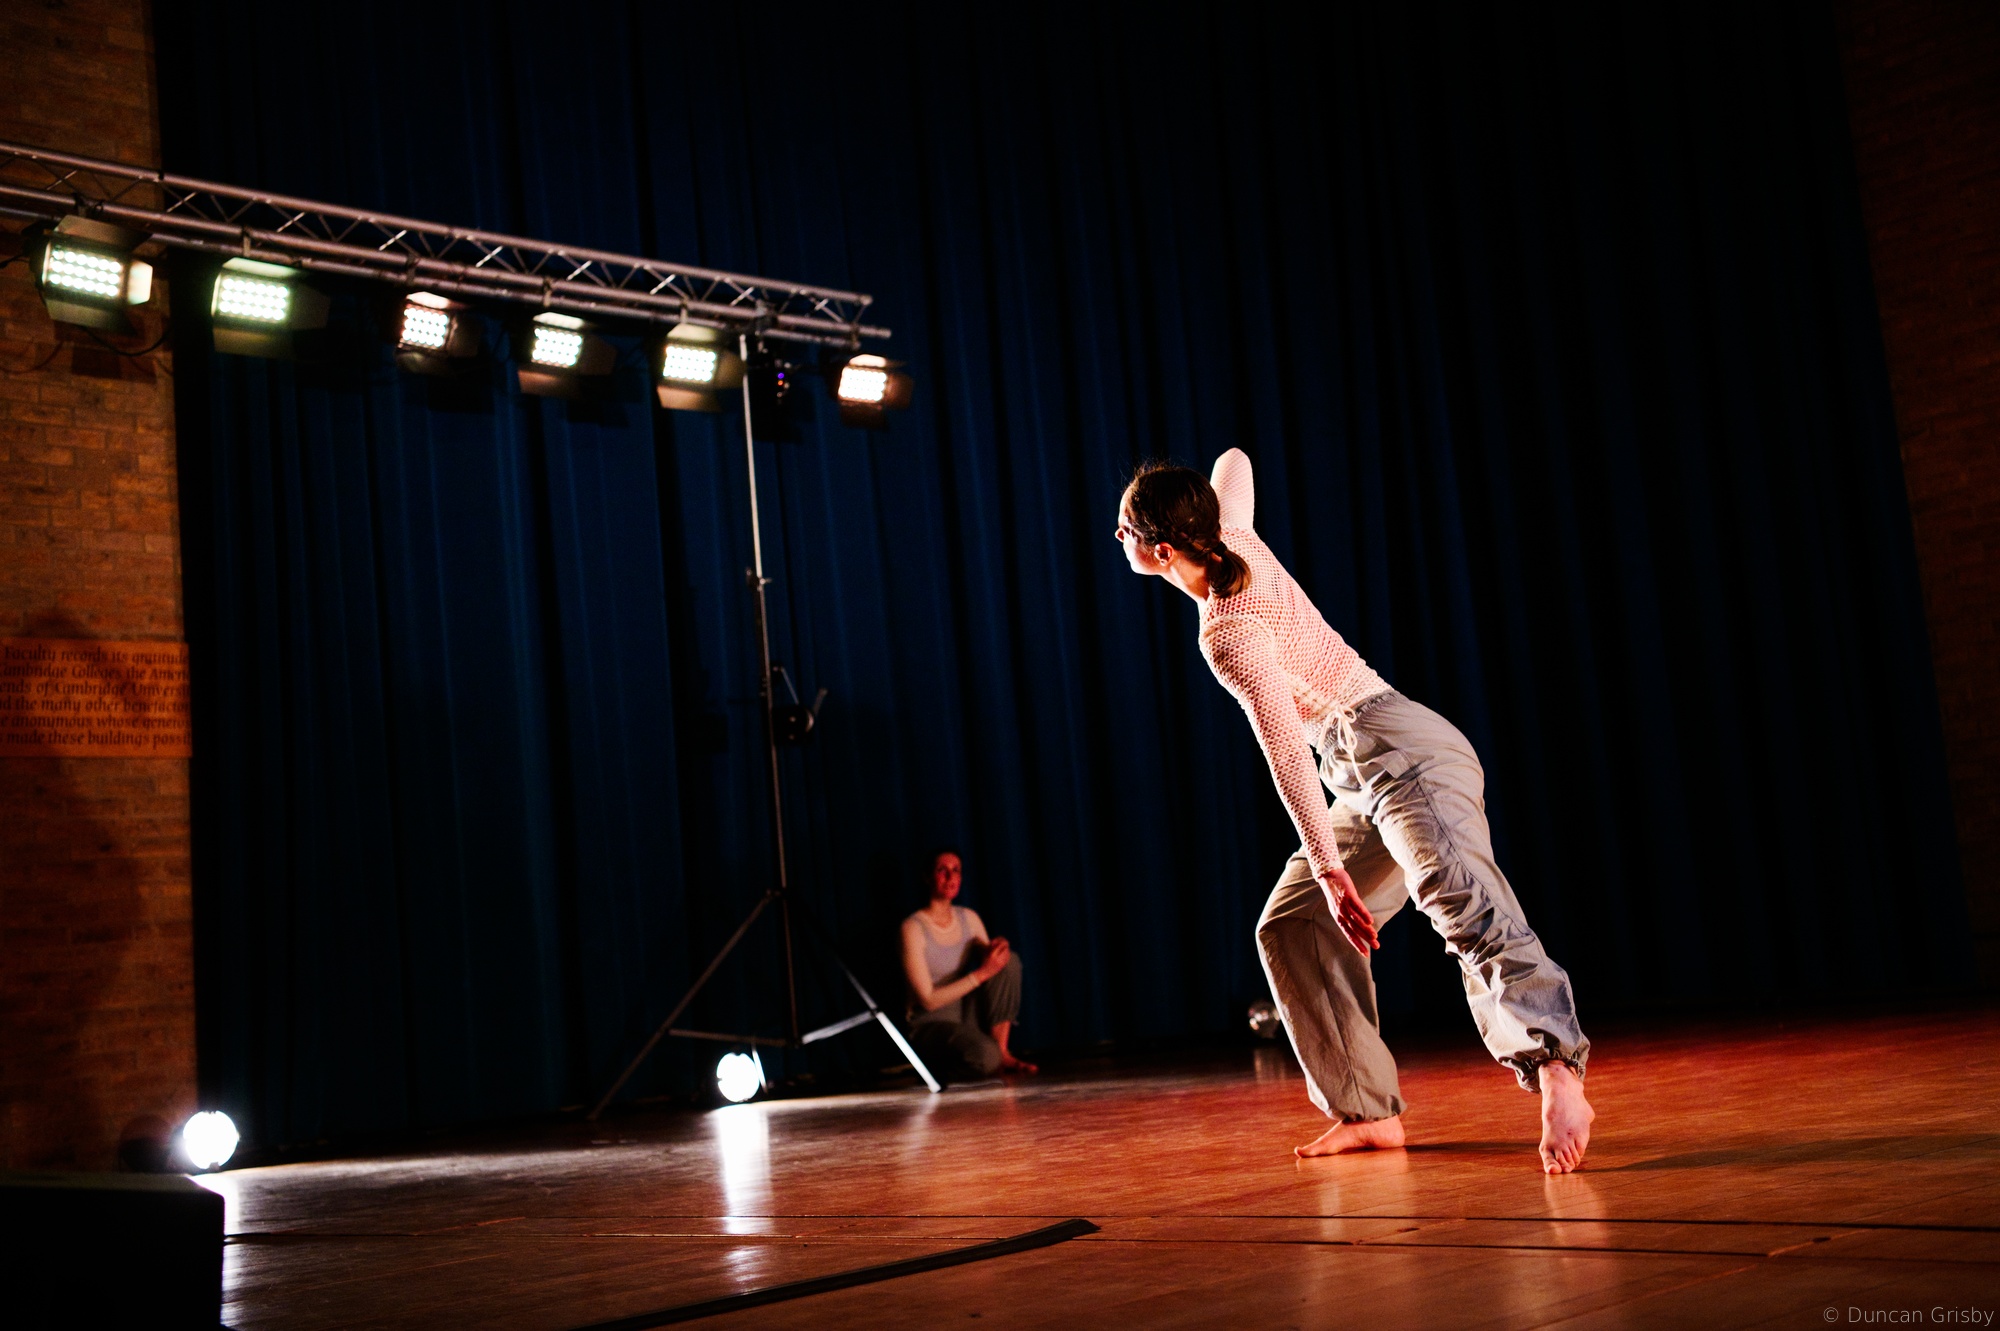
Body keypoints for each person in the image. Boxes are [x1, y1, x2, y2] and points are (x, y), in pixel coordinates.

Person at [1115, 449, 1594, 1174]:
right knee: (1293, 925)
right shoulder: (1235, 534)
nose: (1117, 538)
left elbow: (1285, 753)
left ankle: (1555, 1065)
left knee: (1459, 900)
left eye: (1125, 528)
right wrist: (1198, 504)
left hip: (1401, 754)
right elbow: (1234, 460)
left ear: (1162, 551)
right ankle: (1368, 1112)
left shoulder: (1228, 631)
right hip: (1363, 771)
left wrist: (1332, 868)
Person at [900, 849, 1037, 1079]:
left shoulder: (968, 918)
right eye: (942, 870)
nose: (950, 877)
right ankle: (937, 1071)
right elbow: (928, 1001)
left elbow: (995, 967)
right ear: (928, 877)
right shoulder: (913, 928)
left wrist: (996, 950)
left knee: (1009, 961)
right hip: (931, 1024)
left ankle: (1002, 1052)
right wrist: (982, 973)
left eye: (956, 871)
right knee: (985, 1057)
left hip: (967, 1016)